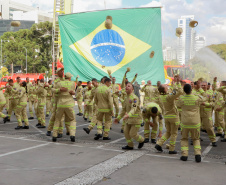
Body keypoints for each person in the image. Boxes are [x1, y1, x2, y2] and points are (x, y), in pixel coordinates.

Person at [155, 76, 183, 154]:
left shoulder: (161, 96)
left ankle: (159, 143)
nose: (167, 87)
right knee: (174, 133)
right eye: (166, 86)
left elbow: (172, 91)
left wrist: (174, 84)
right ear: (164, 90)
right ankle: (171, 149)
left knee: (168, 132)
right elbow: (180, 92)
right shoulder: (169, 97)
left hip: (167, 117)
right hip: (174, 117)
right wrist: (178, 83)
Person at [177, 84, 205, 162]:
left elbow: (178, 105)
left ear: (184, 90)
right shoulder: (197, 98)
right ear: (191, 89)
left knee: (184, 138)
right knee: (196, 139)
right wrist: (200, 89)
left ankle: (184, 155)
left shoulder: (181, 98)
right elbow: (205, 97)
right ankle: (197, 154)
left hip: (185, 122)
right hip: (195, 122)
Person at [114, 82, 144, 150]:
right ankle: (130, 145)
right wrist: (118, 118)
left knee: (132, 134)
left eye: (129, 86)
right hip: (129, 119)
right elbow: (123, 110)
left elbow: (134, 109)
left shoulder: (134, 98)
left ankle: (142, 140)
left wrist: (128, 115)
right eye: (126, 86)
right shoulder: (126, 98)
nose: (127, 87)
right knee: (126, 132)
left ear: (132, 89)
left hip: (136, 119)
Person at [52, 72, 76, 142]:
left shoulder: (59, 83)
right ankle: (72, 135)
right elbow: (73, 92)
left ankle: (54, 135)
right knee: (72, 120)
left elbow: (53, 90)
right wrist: (72, 93)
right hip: (69, 104)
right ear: (69, 78)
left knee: (57, 119)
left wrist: (59, 90)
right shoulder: (72, 83)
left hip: (60, 104)